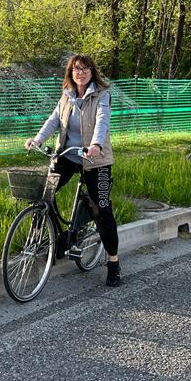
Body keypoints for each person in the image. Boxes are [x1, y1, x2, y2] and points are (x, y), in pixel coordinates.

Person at [24, 54, 121, 287]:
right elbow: (54, 120)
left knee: (102, 209)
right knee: (43, 195)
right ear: (71, 73)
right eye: (77, 69)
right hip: (67, 155)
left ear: (92, 72)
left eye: (86, 69)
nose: (81, 73)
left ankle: (113, 263)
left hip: (95, 159)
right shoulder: (66, 96)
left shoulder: (102, 95)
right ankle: (44, 242)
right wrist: (37, 140)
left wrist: (96, 145)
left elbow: (102, 121)